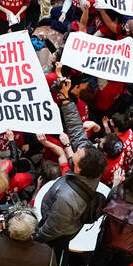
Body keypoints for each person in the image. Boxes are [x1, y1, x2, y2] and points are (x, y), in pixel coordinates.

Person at [35, 80, 108, 256]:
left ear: (79, 168)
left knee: (53, 254)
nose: (78, 148)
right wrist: (65, 99)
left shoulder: (67, 199)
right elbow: (76, 130)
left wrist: (35, 239)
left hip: (58, 233)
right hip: (65, 220)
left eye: (78, 153)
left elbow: (52, 229)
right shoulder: (91, 162)